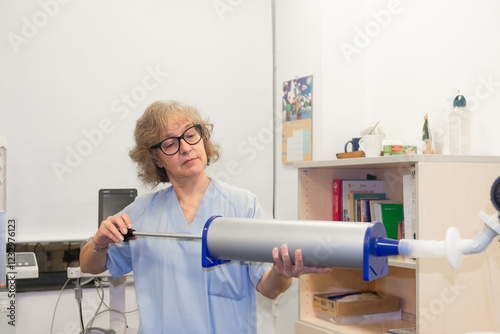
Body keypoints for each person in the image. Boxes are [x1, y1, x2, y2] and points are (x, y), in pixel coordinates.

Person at [79, 100, 331, 333]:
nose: (186, 148)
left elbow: (269, 288)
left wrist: (282, 273)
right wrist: (99, 243)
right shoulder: (140, 213)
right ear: (155, 158)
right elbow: (89, 265)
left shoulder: (242, 206)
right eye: (170, 143)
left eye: (191, 135)